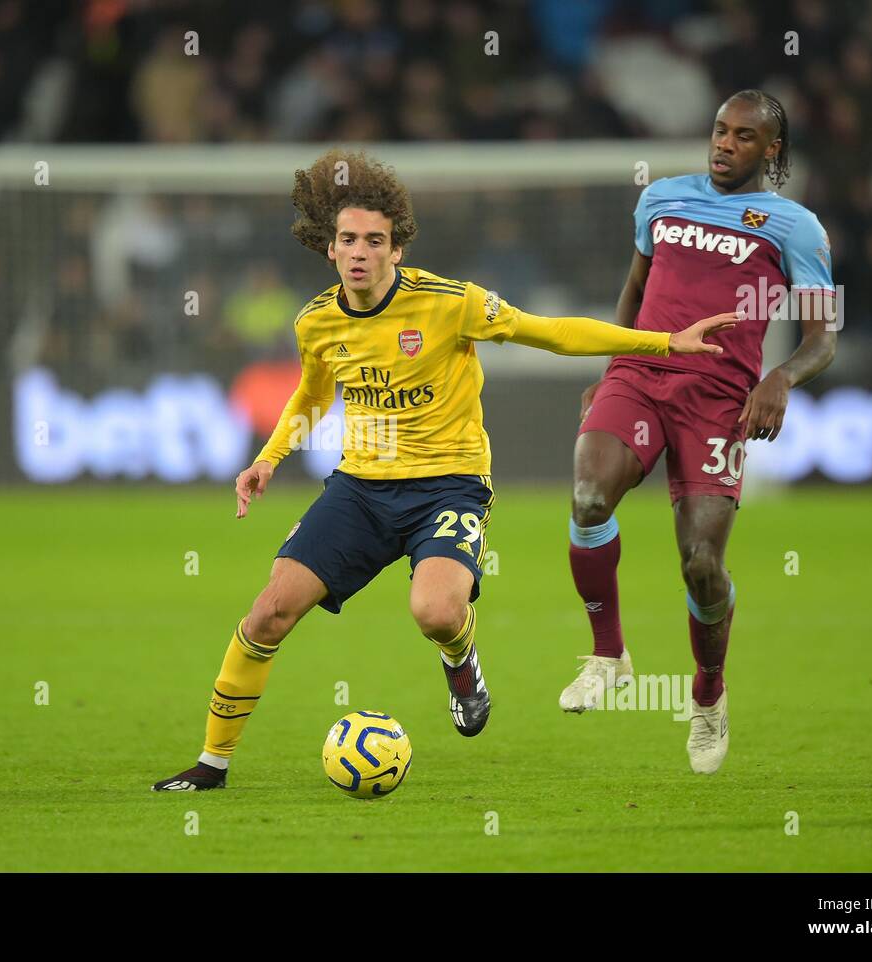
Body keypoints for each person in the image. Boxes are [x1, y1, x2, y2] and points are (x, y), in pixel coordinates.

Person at [153, 149, 735, 791]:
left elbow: (551, 332)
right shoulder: (316, 321)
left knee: (433, 611)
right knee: (268, 613)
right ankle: (212, 764)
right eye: (348, 239)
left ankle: (461, 661)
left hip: (449, 487)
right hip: (360, 489)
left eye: (375, 241)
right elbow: (315, 392)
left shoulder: (451, 304)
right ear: (330, 248)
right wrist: (268, 459)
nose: (360, 252)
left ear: (395, 250)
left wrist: (662, 342)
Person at [561, 90, 837, 773]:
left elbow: (823, 336)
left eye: (743, 136)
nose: (723, 144)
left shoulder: (796, 227)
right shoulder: (660, 198)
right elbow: (635, 288)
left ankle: (709, 695)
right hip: (640, 370)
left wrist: (780, 379)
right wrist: (610, 365)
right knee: (590, 497)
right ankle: (606, 654)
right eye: (718, 130)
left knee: (702, 566)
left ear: (770, 150)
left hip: (718, 399)